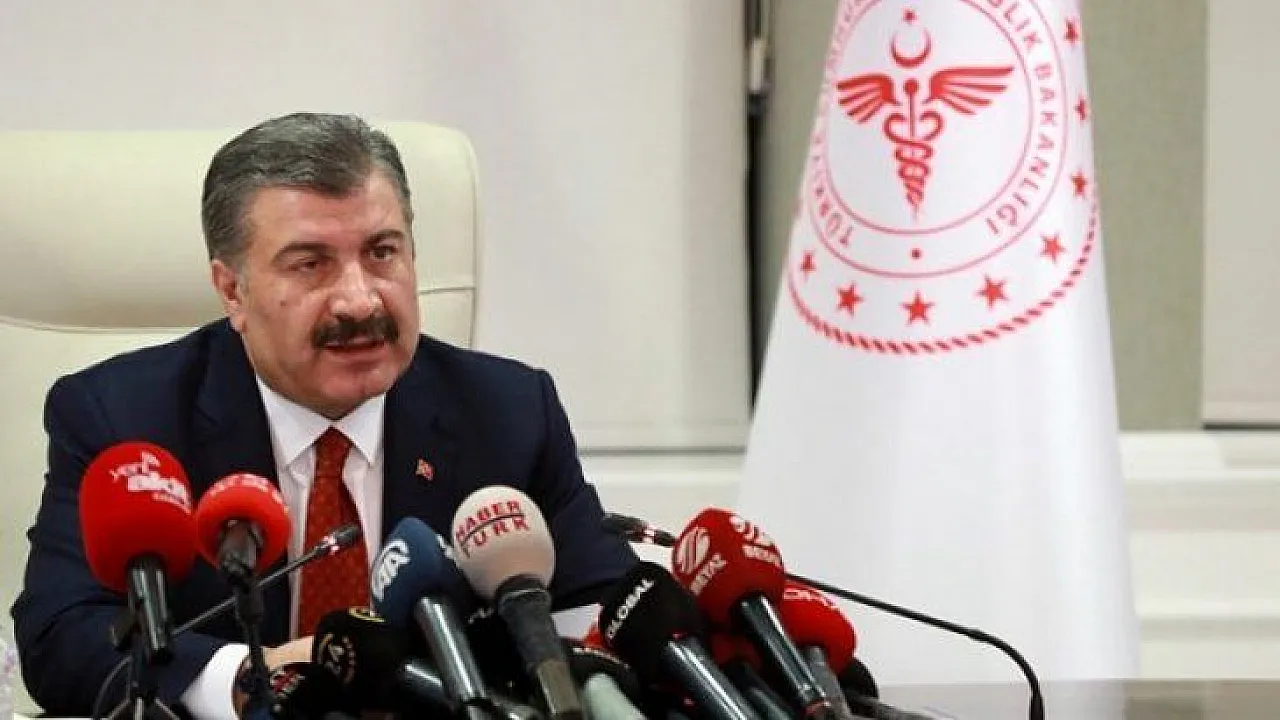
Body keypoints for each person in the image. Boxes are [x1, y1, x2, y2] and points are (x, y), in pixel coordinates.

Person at [10, 112, 638, 717]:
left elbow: (604, 612)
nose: (360, 301)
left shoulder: (509, 411)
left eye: (382, 252)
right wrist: (253, 678)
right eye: (310, 264)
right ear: (232, 290)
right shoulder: (123, 419)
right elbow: (61, 634)